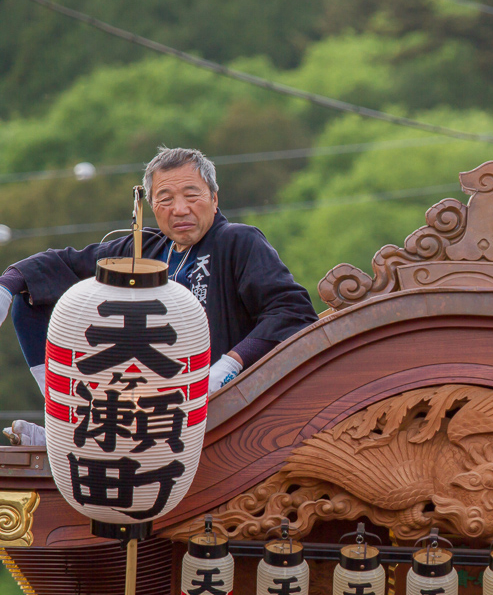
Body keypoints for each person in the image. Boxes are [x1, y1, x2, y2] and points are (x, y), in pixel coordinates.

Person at [0, 147, 319, 444]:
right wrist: (7, 286)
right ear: (151, 205)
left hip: (223, 408)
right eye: (165, 198)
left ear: (214, 198)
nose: (180, 209)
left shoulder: (238, 241)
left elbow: (292, 312)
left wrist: (227, 368)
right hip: (136, 399)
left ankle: (79, 436)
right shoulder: (142, 249)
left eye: (192, 194)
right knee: (31, 296)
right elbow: (59, 265)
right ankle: (67, 424)